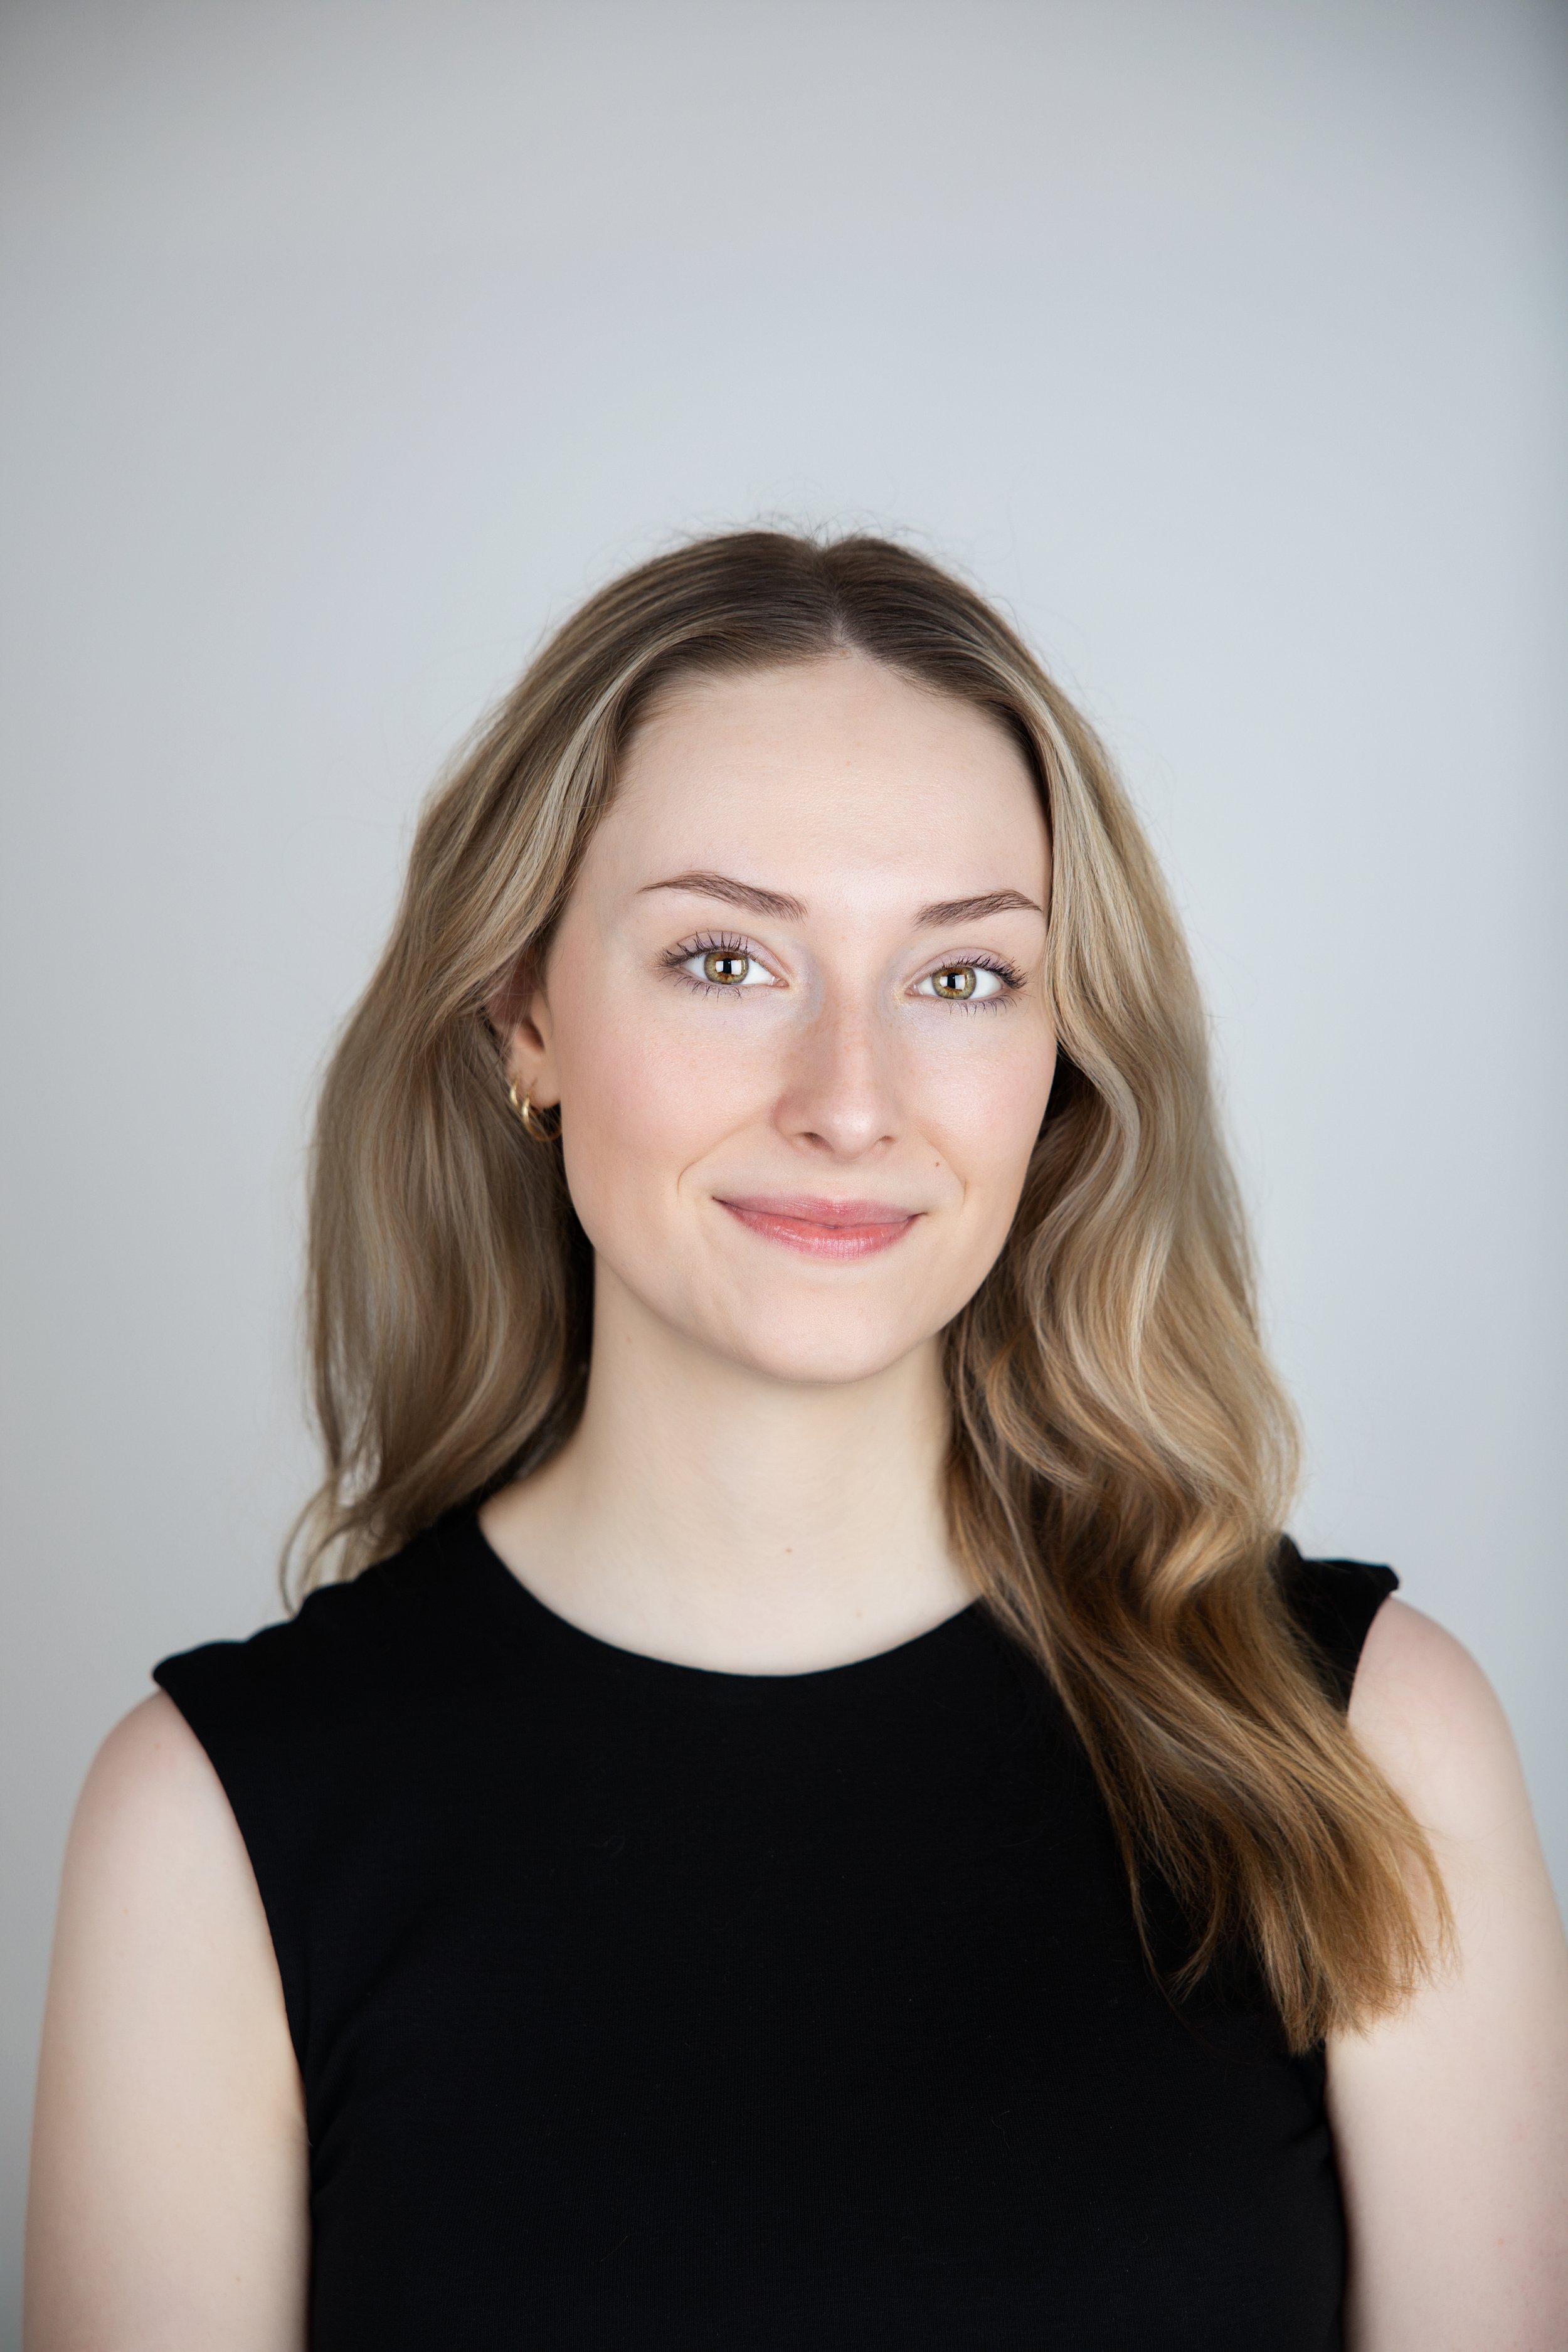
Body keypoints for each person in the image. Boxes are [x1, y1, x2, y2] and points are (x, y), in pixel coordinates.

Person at [24, 531, 1568, 2351]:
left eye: (962, 979)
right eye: (724, 960)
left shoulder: (1363, 1748)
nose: (849, 1102)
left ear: (1063, 1058)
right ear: (525, 1016)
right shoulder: (211, 1825)